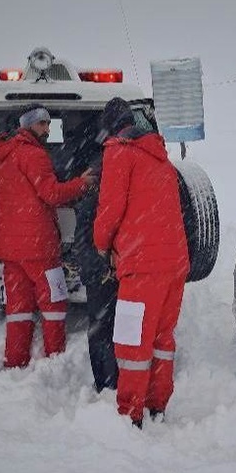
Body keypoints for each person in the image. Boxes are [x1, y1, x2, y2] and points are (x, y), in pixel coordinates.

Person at [94, 97, 189, 428]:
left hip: (142, 265)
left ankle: (129, 415)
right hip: (174, 264)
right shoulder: (160, 158)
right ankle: (157, 407)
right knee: (162, 338)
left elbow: (109, 210)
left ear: (111, 127)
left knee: (132, 341)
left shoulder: (118, 152)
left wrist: (101, 247)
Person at [0, 103, 96, 368]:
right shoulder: (34, 155)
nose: (47, 129)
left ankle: (15, 361)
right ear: (27, 125)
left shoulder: (1, 154)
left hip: (9, 248)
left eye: (49, 123)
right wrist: (83, 183)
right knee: (54, 303)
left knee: (18, 310)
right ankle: (55, 361)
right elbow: (52, 194)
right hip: (38, 246)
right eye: (42, 124)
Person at [60, 116, 119, 392]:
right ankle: (110, 382)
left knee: (100, 326)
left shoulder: (94, 177)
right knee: (110, 326)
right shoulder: (108, 175)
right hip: (104, 266)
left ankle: (105, 382)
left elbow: (87, 229)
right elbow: (98, 230)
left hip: (96, 265)